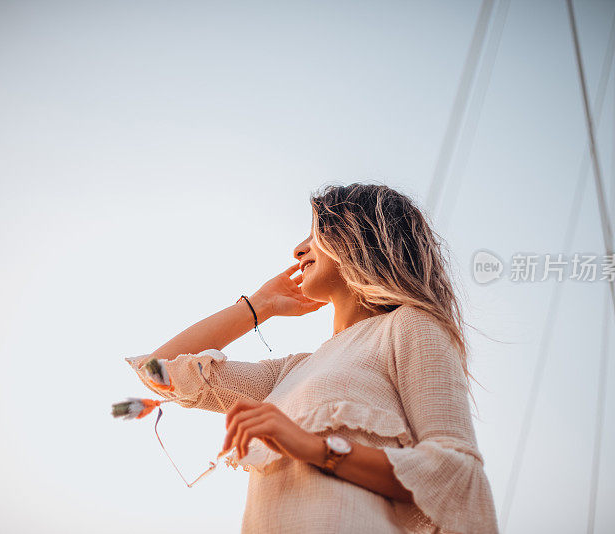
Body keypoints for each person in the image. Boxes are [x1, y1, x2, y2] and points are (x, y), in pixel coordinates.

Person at [126, 183, 499, 533]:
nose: (298, 249)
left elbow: (458, 475)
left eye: (316, 233)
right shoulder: (291, 372)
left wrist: (316, 448)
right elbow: (159, 370)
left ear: (357, 237)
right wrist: (260, 305)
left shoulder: (409, 326)